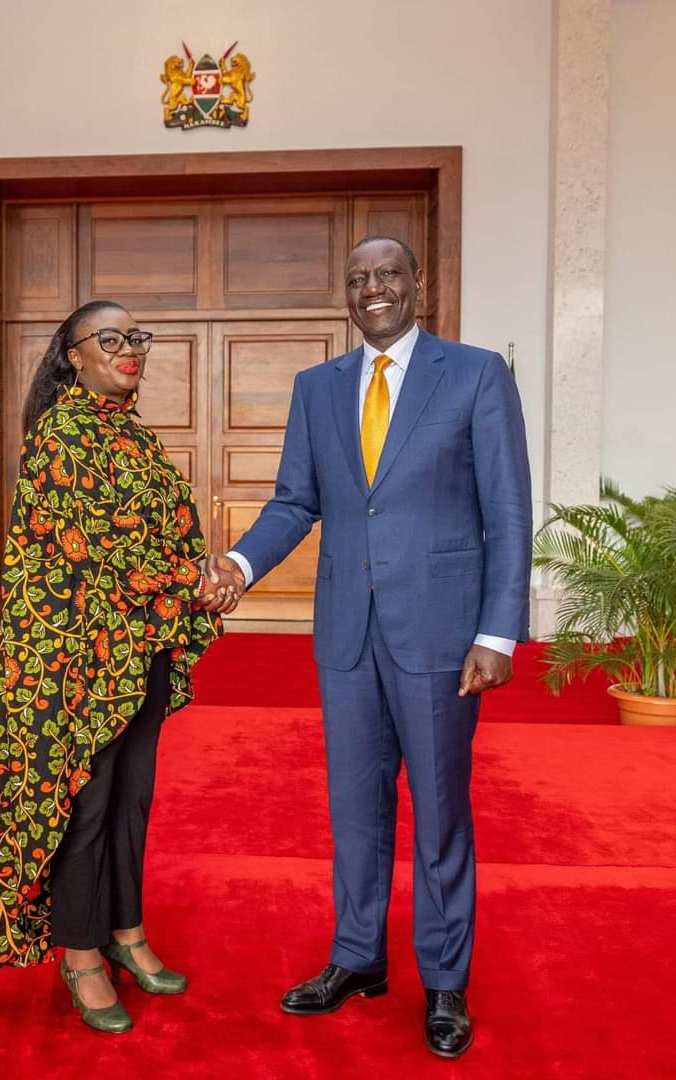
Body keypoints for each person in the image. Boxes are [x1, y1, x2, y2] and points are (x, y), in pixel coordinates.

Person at [207, 236, 532, 1059]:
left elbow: (508, 513)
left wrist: (498, 629)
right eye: (357, 279)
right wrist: (241, 563)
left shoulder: (475, 374)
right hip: (347, 632)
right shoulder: (317, 389)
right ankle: (357, 959)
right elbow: (294, 501)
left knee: (441, 814)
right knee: (355, 811)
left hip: (441, 633)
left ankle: (445, 982)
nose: (373, 289)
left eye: (388, 275)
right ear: (345, 295)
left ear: (419, 284)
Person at [0, 301, 239, 1034]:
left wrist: (196, 574)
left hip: (137, 647)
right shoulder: (63, 435)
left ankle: (125, 928)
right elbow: (101, 549)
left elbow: (169, 531)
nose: (129, 349)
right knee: (85, 802)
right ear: (73, 355)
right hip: (74, 660)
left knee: (130, 798)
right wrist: (191, 582)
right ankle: (79, 950)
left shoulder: (132, 437)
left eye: (137, 337)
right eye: (110, 339)